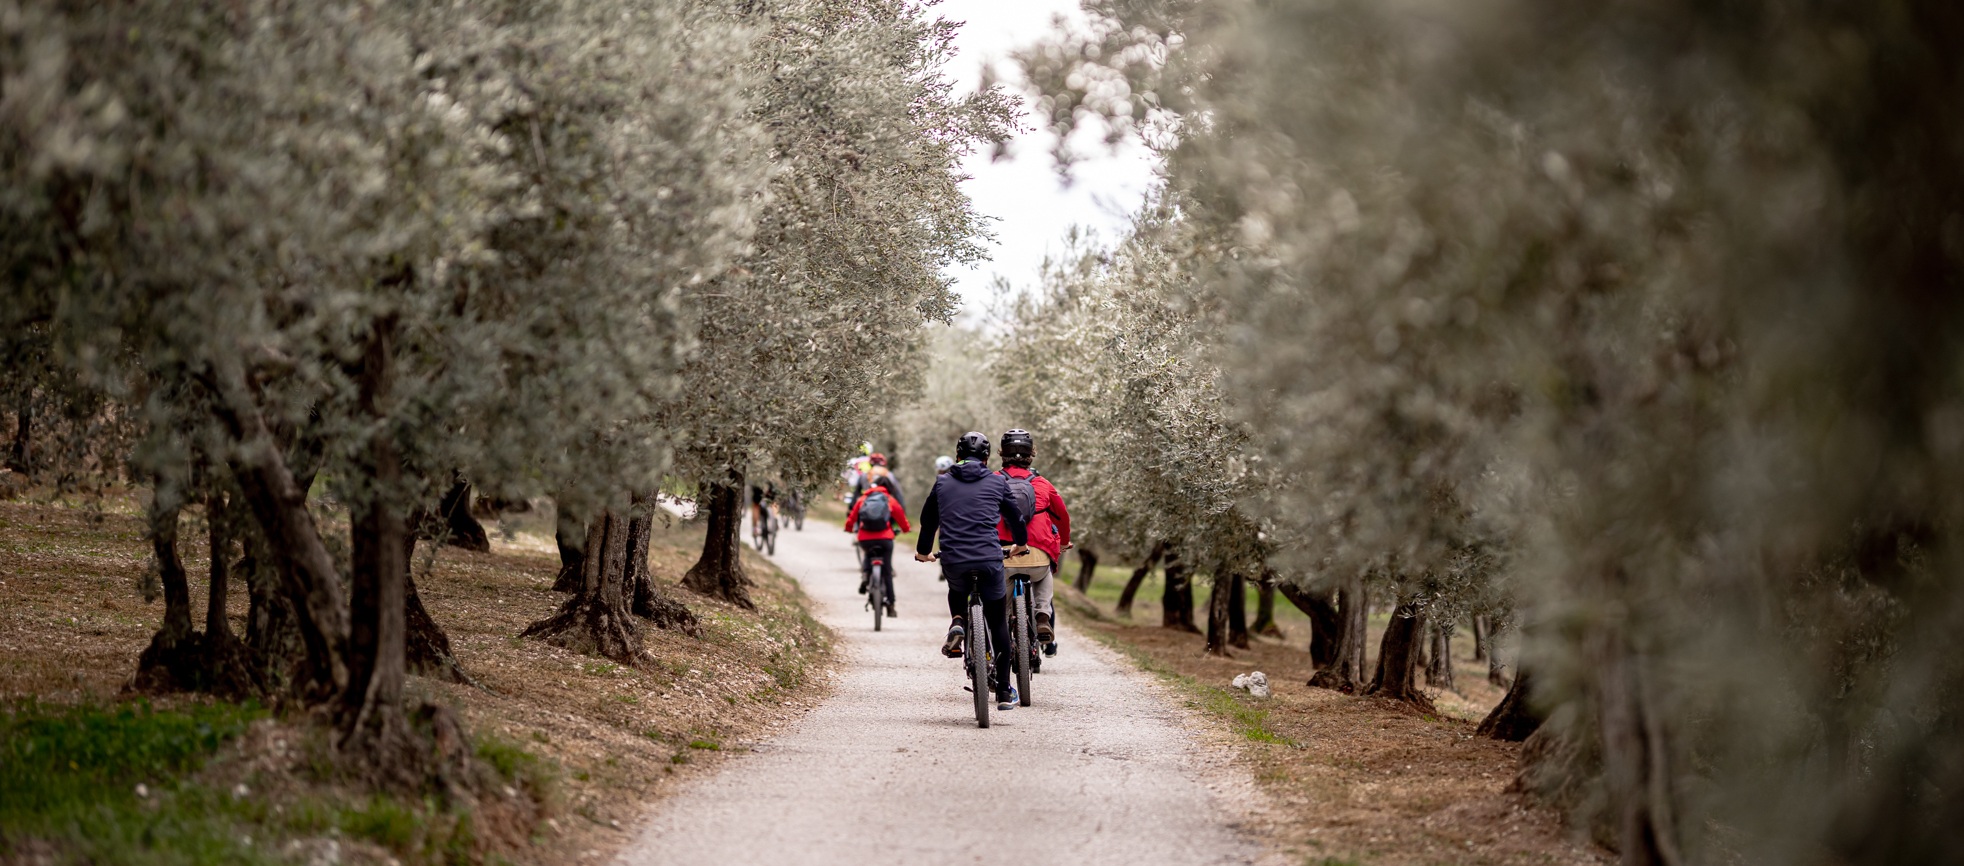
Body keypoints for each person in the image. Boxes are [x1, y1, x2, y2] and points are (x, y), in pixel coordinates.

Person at [915, 431, 1030, 711]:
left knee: (957, 589)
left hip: (954, 559)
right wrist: (1020, 544)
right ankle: (1003, 690)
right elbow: (1015, 516)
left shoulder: (942, 483)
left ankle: (958, 621)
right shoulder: (996, 481)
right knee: (998, 620)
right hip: (989, 559)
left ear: (957, 456)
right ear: (987, 458)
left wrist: (922, 552)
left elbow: (928, 520)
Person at [994, 429, 1072, 648]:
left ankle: (1003, 644)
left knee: (1001, 610)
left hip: (1005, 556)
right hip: (1037, 554)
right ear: (1031, 456)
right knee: (1044, 574)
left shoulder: (993, 481)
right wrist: (1063, 542)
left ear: (1002, 454)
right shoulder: (1043, 484)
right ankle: (1042, 615)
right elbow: (1063, 516)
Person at [844, 475, 910, 617]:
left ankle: (866, 575)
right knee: (887, 573)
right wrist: (905, 529)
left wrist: (849, 528)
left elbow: (852, 517)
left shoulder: (863, 499)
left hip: (865, 538)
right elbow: (901, 518)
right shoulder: (890, 500)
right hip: (885, 539)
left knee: (868, 554)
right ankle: (891, 606)